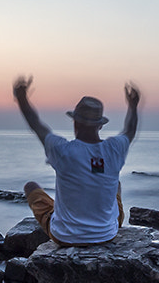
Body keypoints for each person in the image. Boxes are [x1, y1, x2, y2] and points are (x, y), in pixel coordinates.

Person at [13, 75, 140, 246]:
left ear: (75, 123)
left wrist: (22, 99)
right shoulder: (115, 149)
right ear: (100, 125)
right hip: (107, 235)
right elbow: (130, 130)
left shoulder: (62, 150)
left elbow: (36, 124)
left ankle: (69, 219)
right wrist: (133, 106)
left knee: (31, 187)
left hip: (65, 237)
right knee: (116, 184)